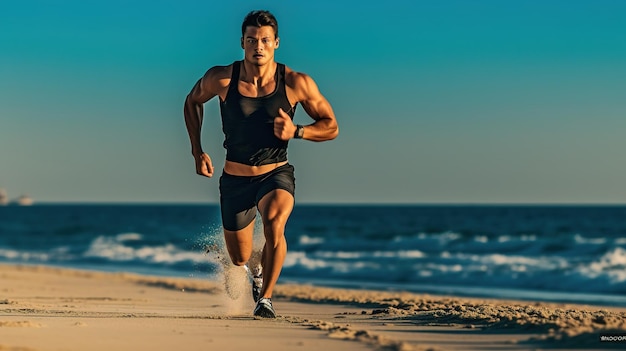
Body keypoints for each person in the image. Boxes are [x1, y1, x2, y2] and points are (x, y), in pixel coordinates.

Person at [183, 10, 338, 318]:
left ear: (276, 43)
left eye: (265, 40)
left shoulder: (296, 83)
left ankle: (265, 298)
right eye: (252, 39)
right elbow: (192, 101)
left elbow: (331, 125)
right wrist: (197, 151)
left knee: (274, 226)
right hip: (235, 179)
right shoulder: (222, 78)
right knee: (239, 256)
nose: (258, 46)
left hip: (276, 174)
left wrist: (298, 131)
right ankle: (254, 269)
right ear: (242, 42)